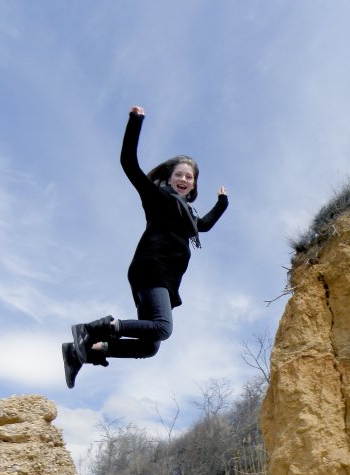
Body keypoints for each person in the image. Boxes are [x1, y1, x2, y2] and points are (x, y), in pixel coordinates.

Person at [62, 105, 229, 388]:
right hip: (152, 268)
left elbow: (205, 225)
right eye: (180, 174)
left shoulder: (188, 215)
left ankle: (83, 352)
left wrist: (222, 203)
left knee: (149, 346)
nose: (185, 180)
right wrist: (135, 121)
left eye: (190, 177)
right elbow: (128, 162)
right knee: (163, 328)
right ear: (169, 176)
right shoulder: (157, 196)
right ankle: (91, 329)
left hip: (164, 277)